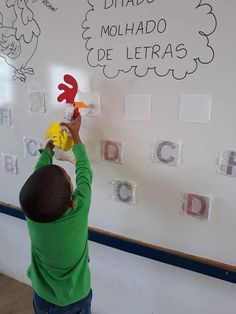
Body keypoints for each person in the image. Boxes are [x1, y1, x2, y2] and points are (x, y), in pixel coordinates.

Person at [19, 113, 93, 314]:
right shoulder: (78, 210)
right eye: (69, 179)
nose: (71, 179)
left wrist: (50, 146)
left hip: (42, 296)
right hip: (74, 300)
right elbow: (85, 172)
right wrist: (76, 136)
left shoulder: (33, 212)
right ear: (71, 201)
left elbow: (38, 178)